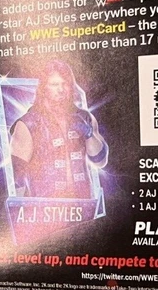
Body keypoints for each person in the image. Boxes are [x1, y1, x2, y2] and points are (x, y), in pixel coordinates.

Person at [9, 61, 108, 198]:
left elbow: (101, 161)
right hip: (45, 206)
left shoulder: (85, 118)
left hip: (83, 203)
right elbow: (16, 179)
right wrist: (22, 208)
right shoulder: (28, 124)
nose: (61, 89)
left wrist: (89, 134)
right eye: (55, 84)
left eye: (65, 84)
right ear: (43, 88)